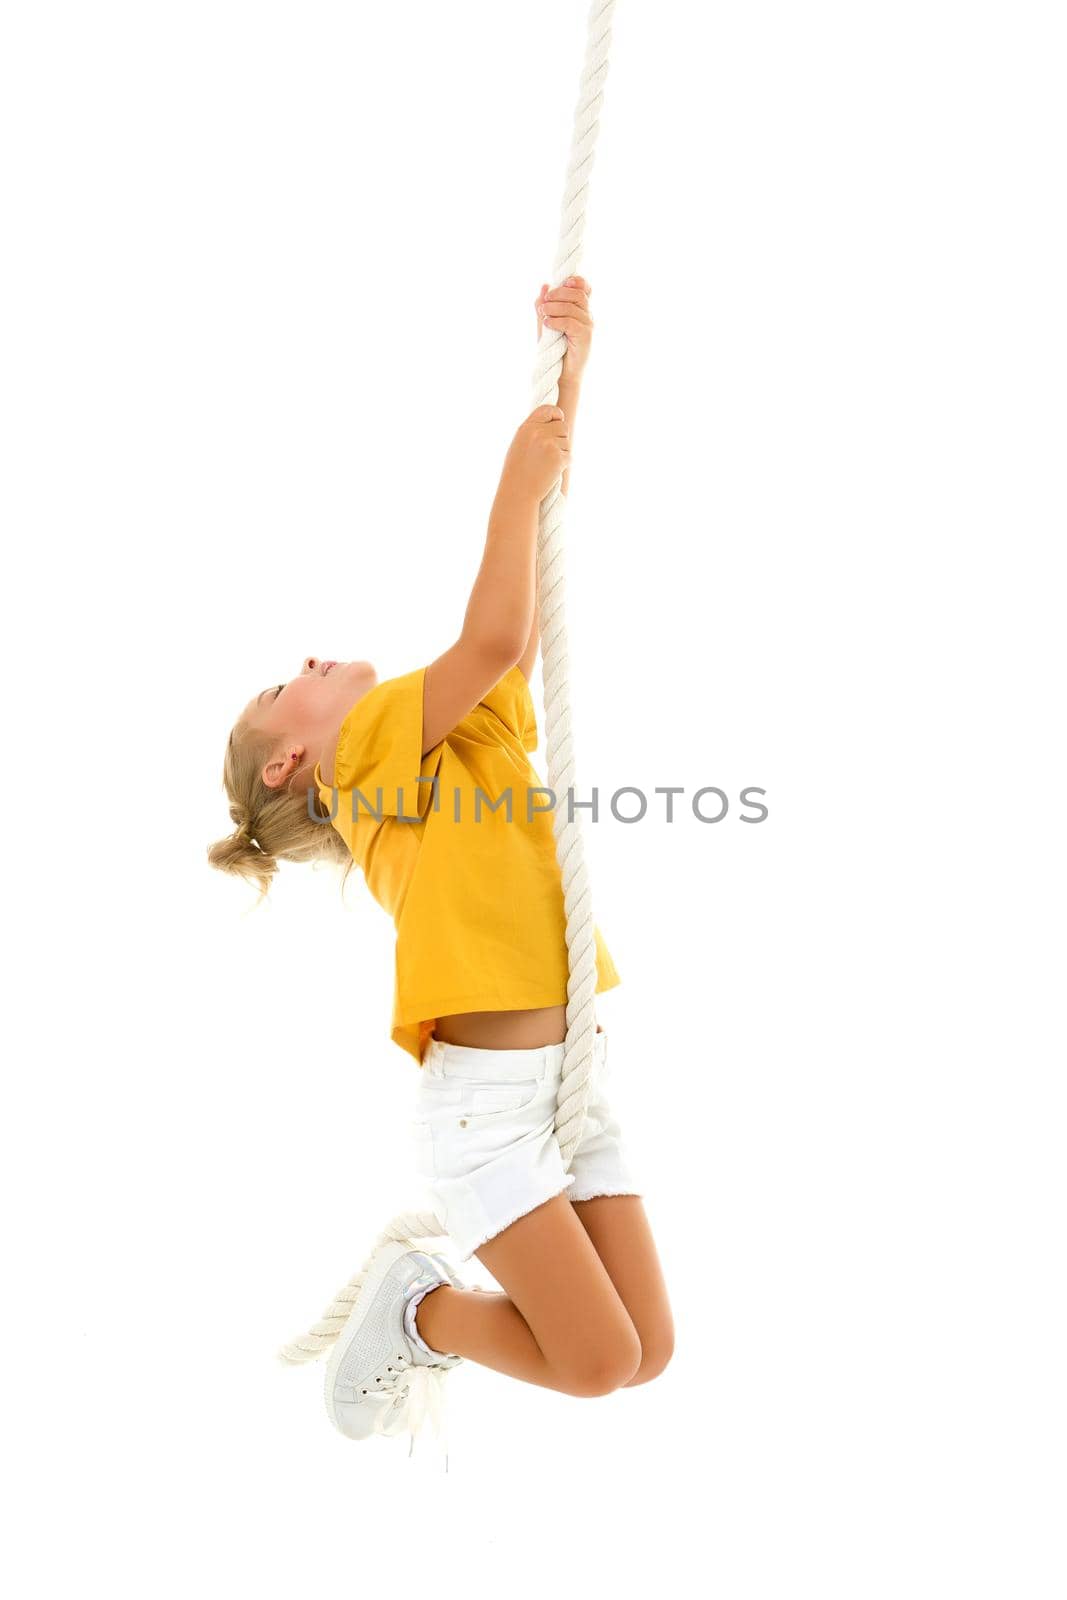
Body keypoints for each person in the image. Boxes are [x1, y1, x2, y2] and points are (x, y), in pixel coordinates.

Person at [208, 278, 674, 1440]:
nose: (308, 659)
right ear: (289, 766)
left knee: (645, 1351)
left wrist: (567, 369)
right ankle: (420, 1311)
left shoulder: (440, 735)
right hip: (489, 1115)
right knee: (596, 1357)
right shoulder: (365, 755)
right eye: (283, 684)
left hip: (564, 1080)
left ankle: (430, 1305)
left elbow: (529, 585)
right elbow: (499, 632)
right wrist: (512, 476)